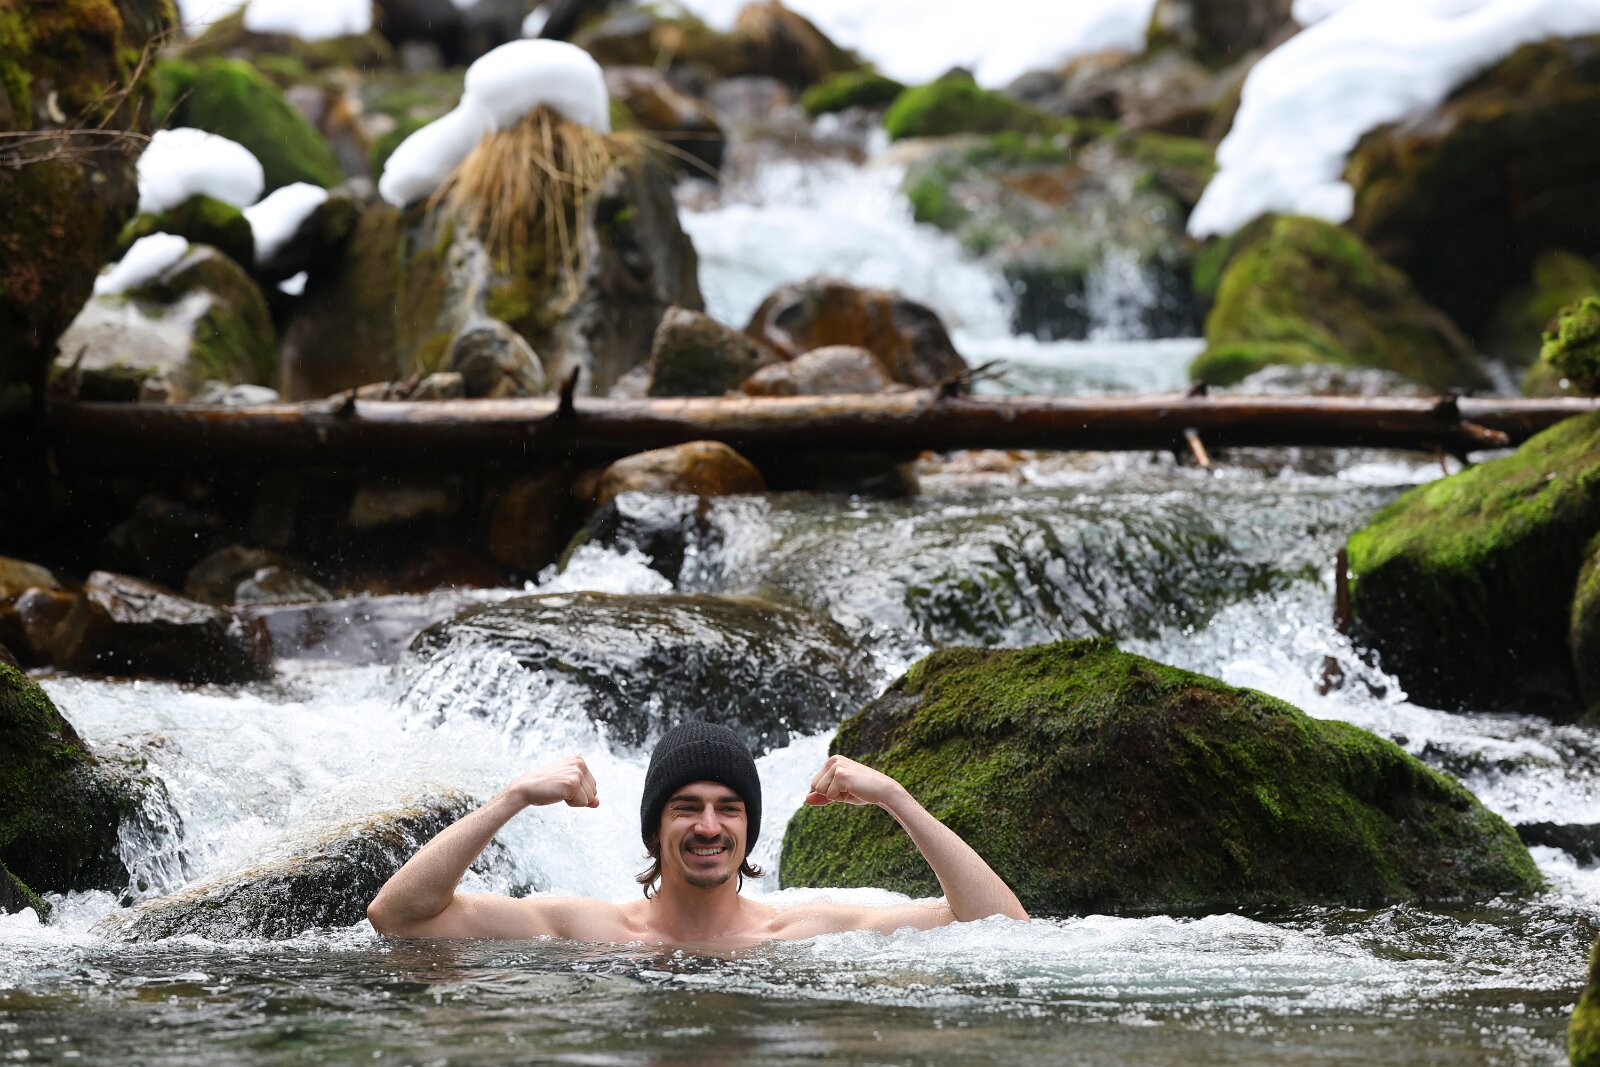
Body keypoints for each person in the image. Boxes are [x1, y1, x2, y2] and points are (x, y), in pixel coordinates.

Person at [367, 721, 1028, 947]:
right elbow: (397, 915)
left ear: (748, 828)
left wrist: (895, 797)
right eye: (686, 808)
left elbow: (1000, 926)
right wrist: (512, 797)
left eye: (728, 809)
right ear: (655, 828)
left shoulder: (803, 932)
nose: (709, 826)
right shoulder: (587, 929)